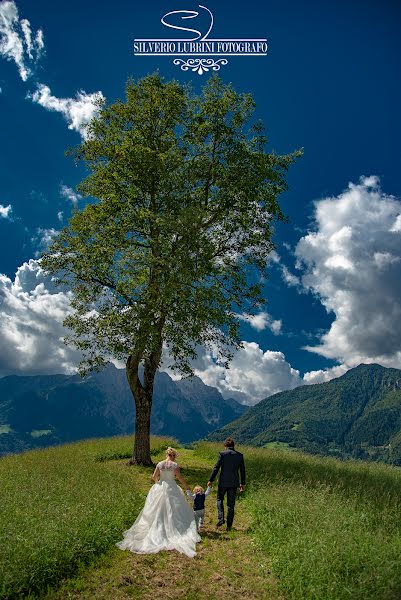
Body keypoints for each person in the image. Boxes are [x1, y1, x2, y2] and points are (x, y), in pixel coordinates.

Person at [116, 447, 200, 558]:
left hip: (161, 486)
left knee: (157, 509)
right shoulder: (174, 465)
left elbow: (154, 477)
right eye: (175, 456)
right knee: (174, 509)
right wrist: (187, 486)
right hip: (172, 487)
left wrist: (158, 484)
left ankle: (158, 525)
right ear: (173, 456)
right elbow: (179, 477)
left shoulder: (160, 464)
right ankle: (173, 528)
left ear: (167, 455)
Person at [208, 437, 245, 531]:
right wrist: (242, 483)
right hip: (234, 483)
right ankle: (229, 526)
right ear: (233, 445)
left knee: (219, 499)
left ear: (225, 445)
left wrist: (210, 480)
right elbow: (242, 471)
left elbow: (216, 467)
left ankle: (221, 518)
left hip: (223, 482)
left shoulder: (222, 454)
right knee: (231, 505)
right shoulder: (239, 455)